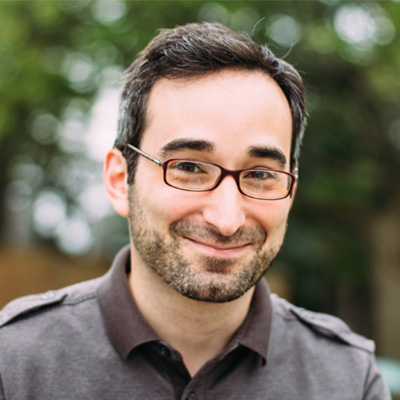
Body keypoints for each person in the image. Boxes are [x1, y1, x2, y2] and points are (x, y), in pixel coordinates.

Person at [0, 22, 391, 400]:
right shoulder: (14, 362)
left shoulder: (347, 376)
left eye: (259, 175)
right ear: (121, 181)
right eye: (188, 168)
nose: (227, 219)